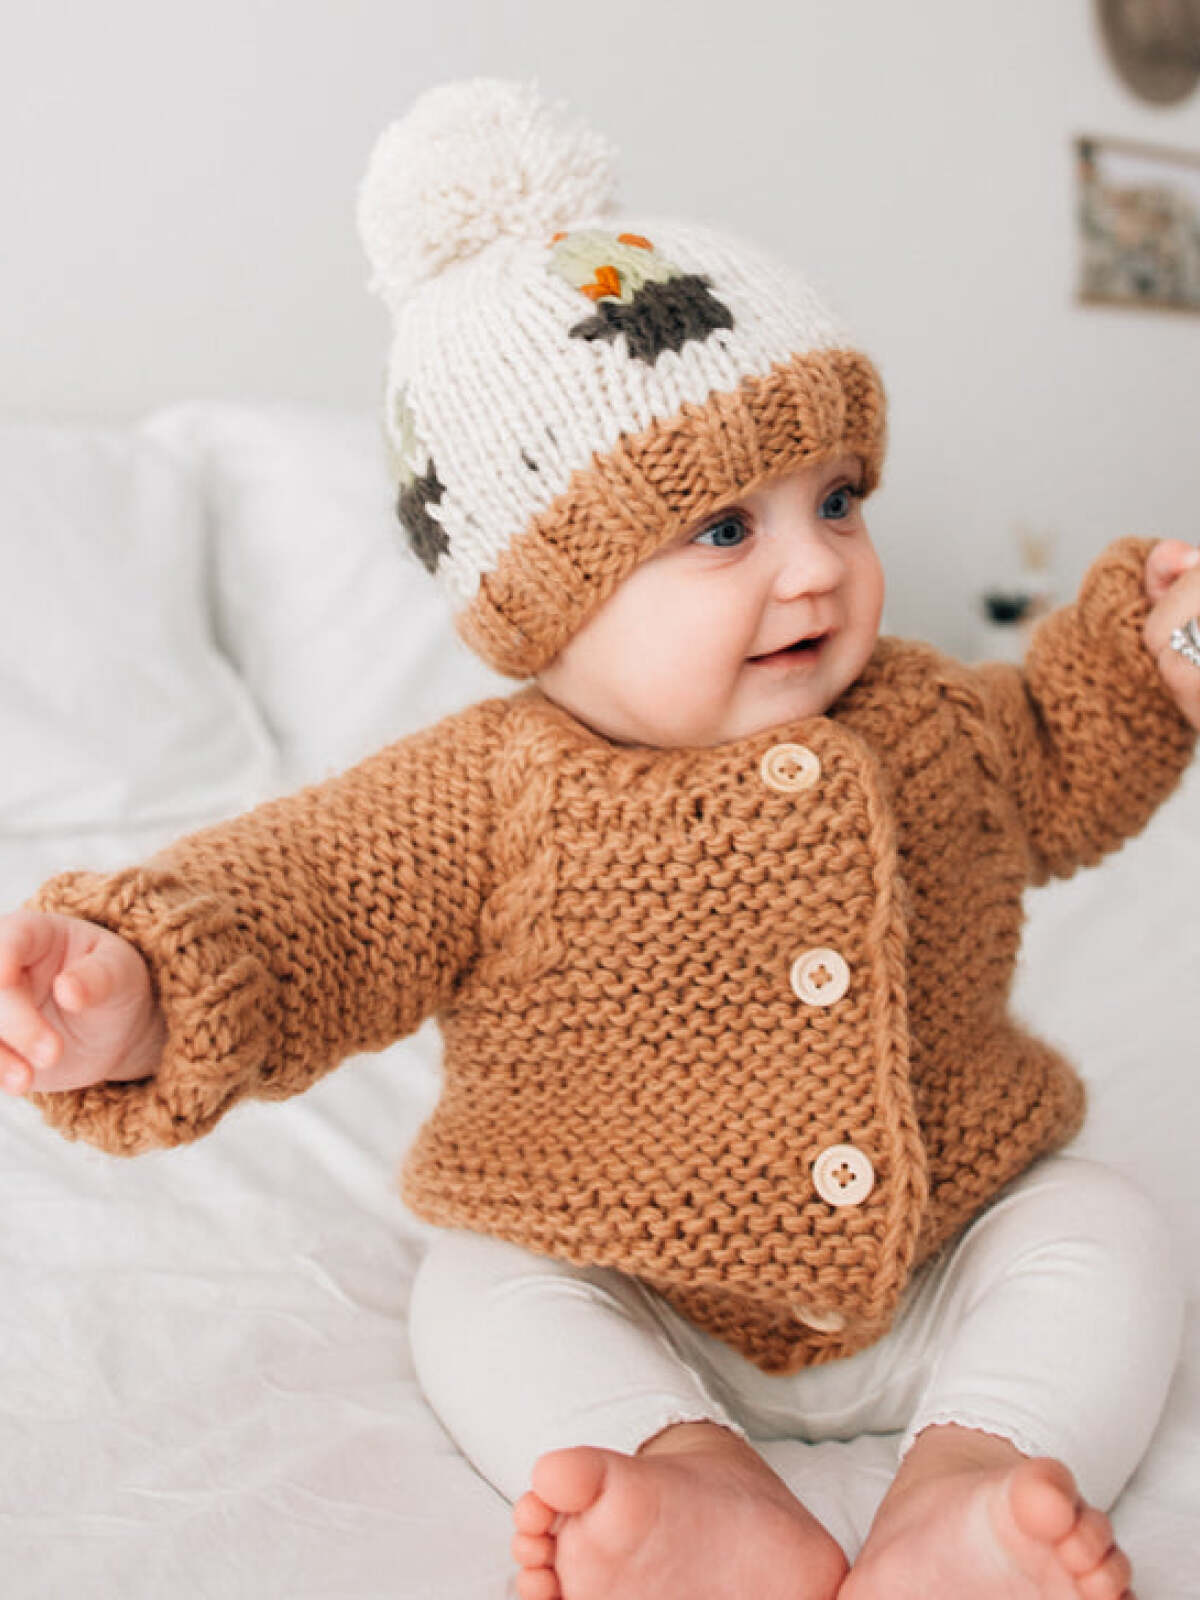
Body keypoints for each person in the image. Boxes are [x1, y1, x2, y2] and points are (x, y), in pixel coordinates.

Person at [2, 79, 1199, 1600]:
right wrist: (141, 982)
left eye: (837, 500)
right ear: (544, 598)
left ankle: (971, 1476)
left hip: (941, 1242)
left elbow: (1057, 754)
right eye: (722, 531)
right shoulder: (487, 792)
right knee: (482, 1295)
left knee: (1106, 1230)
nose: (816, 569)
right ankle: (688, 1480)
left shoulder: (927, 716)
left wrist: (1155, 657)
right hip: (624, 1274)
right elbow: (300, 907)